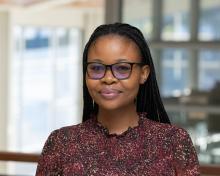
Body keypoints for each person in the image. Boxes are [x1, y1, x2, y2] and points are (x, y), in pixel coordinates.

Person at [35, 23, 200, 175]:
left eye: (122, 68)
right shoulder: (61, 143)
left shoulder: (173, 141)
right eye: (96, 68)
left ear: (143, 73)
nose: (108, 78)